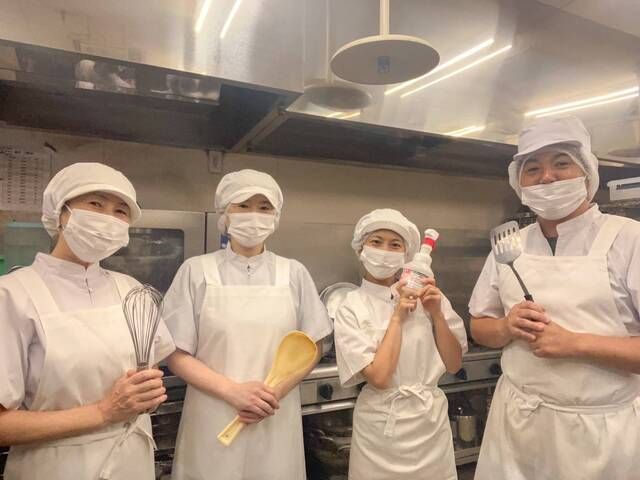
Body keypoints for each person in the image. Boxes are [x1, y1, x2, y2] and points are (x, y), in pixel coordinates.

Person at [470, 116, 640, 480]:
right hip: (516, 425)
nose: (546, 177)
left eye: (561, 163)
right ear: (519, 182)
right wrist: (506, 327)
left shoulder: (629, 239)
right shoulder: (510, 244)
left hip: (599, 436)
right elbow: (479, 326)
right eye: (532, 169)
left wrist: (575, 343)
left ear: (587, 173)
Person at [0, 162, 175, 480]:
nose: (108, 218)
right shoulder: (12, 294)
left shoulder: (131, 290)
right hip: (54, 467)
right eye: (96, 204)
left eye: (120, 211)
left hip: (133, 462)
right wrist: (104, 412)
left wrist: (145, 398)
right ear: (60, 213)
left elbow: (147, 380)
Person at [163, 169, 333, 480]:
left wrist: (271, 394)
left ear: (275, 216)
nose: (254, 215)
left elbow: (313, 345)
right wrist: (232, 391)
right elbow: (175, 352)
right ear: (225, 213)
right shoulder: (196, 271)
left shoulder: (293, 273)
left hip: (274, 415)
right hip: (213, 415)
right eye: (243, 205)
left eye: (264, 207)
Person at [334, 208, 467, 480]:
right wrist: (397, 317)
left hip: (429, 424)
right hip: (380, 427)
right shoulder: (351, 306)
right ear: (361, 249)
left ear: (406, 255)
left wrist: (437, 314)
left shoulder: (430, 297)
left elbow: (454, 364)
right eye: (376, 242)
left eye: (395, 245)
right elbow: (380, 377)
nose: (385, 251)